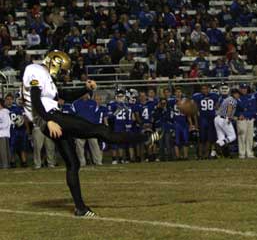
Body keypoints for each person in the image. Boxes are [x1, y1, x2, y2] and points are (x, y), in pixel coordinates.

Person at [22, 50, 160, 217]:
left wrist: (85, 89)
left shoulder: (46, 78)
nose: (61, 72)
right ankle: (144, 139)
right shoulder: (35, 70)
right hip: (50, 117)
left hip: (50, 117)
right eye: (61, 68)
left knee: (73, 164)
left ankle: (80, 208)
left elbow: (65, 96)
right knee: (100, 130)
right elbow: (35, 99)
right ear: (54, 62)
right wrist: (48, 120)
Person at [72, 93, 103, 166]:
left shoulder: (94, 103)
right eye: (84, 93)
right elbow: (72, 116)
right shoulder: (75, 103)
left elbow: (96, 115)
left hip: (91, 127)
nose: (85, 95)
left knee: (94, 145)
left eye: (86, 93)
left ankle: (98, 161)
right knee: (79, 147)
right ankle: (81, 162)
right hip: (80, 128)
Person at [192, 85, 219, 159]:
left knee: (209, 138)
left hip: (211, 119)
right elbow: (195, 109)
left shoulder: (214, 96)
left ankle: (206, 154)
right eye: (203, 89)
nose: (205, 90)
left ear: (209, 89)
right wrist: (196, 122)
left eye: (206, 88)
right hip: (202, 119)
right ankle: (200, 154)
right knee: (201, 138)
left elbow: (217, 107)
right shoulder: (197, 97)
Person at [213, 88, 240, 158]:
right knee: (232, 136)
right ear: (234, 94)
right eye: (237, 94)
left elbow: (217, 107)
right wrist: (228, 117)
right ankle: (219, 144)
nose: (238, 95)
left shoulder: (226, 99)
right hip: (224, 119)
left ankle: (213, 153)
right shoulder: (232, 100)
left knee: (221, 138)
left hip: (217, 118)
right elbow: (230, 107)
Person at [4, 93, 28, 168]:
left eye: (10, 99)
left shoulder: (17, 108)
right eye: (7, 99)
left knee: (22, 147)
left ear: (13, 100)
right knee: (11, 147)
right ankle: (12, 161)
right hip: (10, 131)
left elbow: (24, 118)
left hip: (20, 130)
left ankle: (24, 161)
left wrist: (27, 128)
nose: (9, 101)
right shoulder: (3, 110)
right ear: (5, 100)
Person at [235, 83, 256, 159]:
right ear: (240, 89)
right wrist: (238, 115)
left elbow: (254, 108)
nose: (244, 90)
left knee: (250, 137)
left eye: (245, 88)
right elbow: (235, 110)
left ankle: (249, 153)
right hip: (241, 119)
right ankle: (242, 154)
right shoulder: (237, 98)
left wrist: (247, 114)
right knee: (242, 137)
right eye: (242, 88)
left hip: (250, 119)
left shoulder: (251, 97)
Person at [0, 99, 11, 169]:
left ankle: (5, 165)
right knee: (3, 151)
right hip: (3, 134)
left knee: (3, 151)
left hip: (2, 134)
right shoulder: (2, 112)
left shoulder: (3, 112)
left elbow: (6, 124)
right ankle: (4, 165)